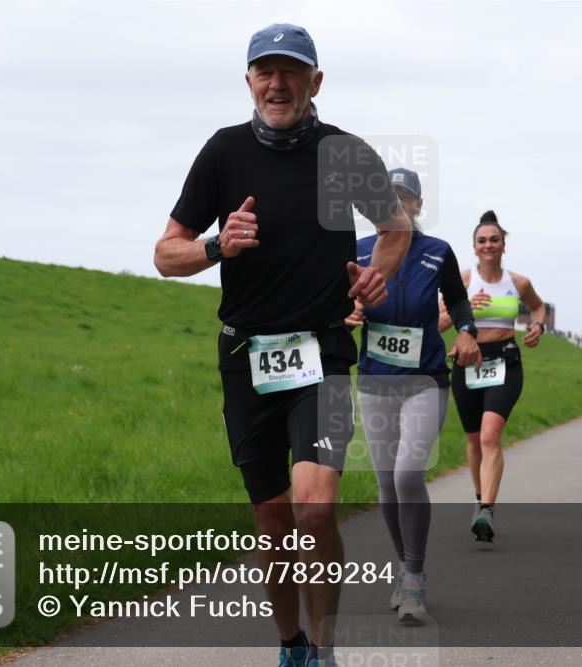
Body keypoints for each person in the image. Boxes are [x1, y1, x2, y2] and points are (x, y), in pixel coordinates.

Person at [153, 24, 411, 667]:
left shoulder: (345, 153)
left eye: (290, 72)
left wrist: (376, 274)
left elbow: (395, 226)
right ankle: (290, 644)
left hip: (321, 352)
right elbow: (165, 254)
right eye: (264, 71)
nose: (277, 84)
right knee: (273, 523)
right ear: (248, 81)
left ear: (315, 83)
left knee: (315, 508)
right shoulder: (222, 153)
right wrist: (216, 246)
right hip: (246, 358)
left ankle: (323, 651)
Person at [345, 168, 480, 621]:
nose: (398, 205)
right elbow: (338, 302)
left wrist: (466, 332)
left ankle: (415, 579)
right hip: (375, 380)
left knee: (407, 476)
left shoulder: (436, 252)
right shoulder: (359, 251)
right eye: (390, 198)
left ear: (419, 206)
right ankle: (406, 568)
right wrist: (348, 312)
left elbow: (459, 302)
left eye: (406, 199)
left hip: (424, 380)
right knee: (386, 485)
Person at [439, 210, 546, 542]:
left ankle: (487, 509)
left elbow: (538, 307)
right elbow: (439, 323)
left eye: (494, 240)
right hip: (468, 363)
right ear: (474, 246)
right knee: (474, 440)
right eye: (482, 241)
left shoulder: (519, 283)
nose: (488, 245)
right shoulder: (465, 280)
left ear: (503, 245)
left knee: (489, 435)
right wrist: (469, 307)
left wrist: (537, 326)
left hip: (505, 363)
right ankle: (478, 497)